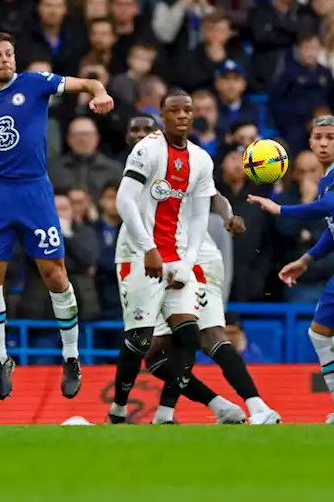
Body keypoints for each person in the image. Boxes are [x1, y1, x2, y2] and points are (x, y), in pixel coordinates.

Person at [0, 32, 114, 400]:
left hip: (34, 191)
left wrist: (99, 92)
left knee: (54, 273)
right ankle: (0, 359)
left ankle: (71, 356)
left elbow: (87, 81)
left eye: (9, 53)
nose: (5, 59)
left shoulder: (34, 83)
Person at [109, 115, 278, 425]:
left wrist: (229, 215)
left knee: (207, 334)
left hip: (195, 258)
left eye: (149, 130)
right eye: (135, 130)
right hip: (146, 258)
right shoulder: (134, 177)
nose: (143, 136)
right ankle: (209, 407)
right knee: (155, 352)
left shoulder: (183, 163)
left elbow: (215, 196)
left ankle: (257, 407)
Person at [258, 116, 334, 424]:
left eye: (329, 137)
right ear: (310, 143)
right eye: (318, 138)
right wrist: (306, 260)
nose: (323, 143)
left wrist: (280, 209)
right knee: (320, 335)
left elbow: (326, 208)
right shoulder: (327, 178)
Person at [111, 90, 214, 425]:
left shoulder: (201, 159)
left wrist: (188, 260)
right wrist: (148, 248)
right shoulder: (147, 150)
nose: (182, 116)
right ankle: (119, 407)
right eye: (175, 110)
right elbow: (124, 201)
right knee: (140, 340)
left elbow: (200, 215)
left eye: (188, 110)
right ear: (162, 115)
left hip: (177, 257)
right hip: (140, 255)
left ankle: (166, 413)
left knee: (188, 335)